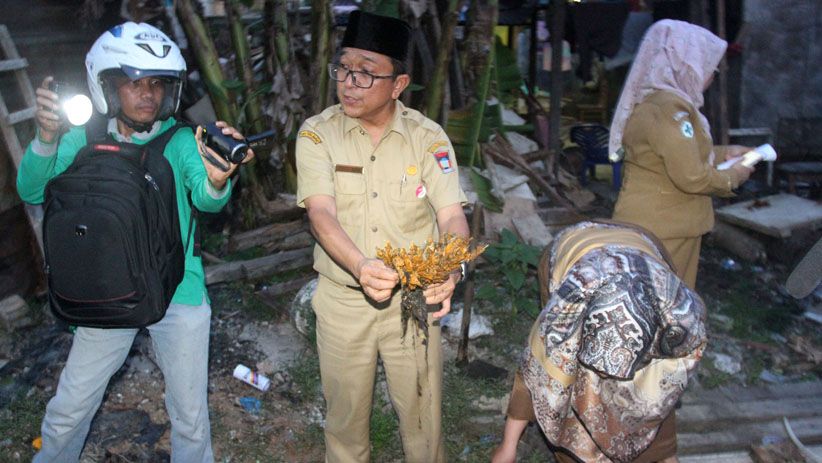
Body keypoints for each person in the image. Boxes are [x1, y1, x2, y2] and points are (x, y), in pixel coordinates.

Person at [17, 22, 253, 462]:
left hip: (176, 290)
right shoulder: (84, 137)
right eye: (133, 83)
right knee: (70, 408)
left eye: (157, 84)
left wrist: (219, 178)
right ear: (107, 85)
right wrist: (46, 139)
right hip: (105, 290)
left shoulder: (182, 140)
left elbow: (206, 197)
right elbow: (32, 190)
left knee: (189, 415)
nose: (147, 94)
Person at [295, 10, 469, 463]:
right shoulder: (318, 134)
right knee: (345, 422)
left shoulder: (427, 139)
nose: (350, 81)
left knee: (422, 422)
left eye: (367, 72)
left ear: (398, 84)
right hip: (342, 302)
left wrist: (452, 268)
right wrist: (359, 265)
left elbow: (452, 216)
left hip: (413, 301)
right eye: (345, 68)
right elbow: (320, 212)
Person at [491, 220, 707, 463]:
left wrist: (666, 454)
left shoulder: (681, 319)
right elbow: (535, 372)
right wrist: (508, 446)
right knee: (568, 380)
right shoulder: (565, 314)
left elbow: (663, 387)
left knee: (652, 385)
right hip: (571, 247)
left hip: (644, 244)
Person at [610, 19, 755, 289]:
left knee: (661, 307)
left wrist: (724, 154)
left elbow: (675, 154)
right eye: (708, 67)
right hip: (662, 230)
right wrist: (733, 176)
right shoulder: (669, 110)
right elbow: (693, 177)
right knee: (663, 309)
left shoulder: (660, 104)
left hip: (663, 225)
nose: (711, 75)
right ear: (685, 64)